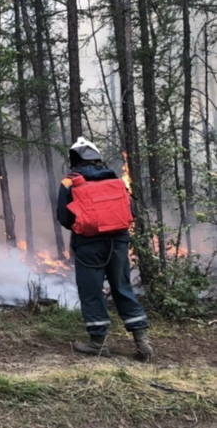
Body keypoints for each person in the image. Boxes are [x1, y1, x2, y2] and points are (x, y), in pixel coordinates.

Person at [56, 137, 153, 359]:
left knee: (91, 292)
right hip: (118, 242)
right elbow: (131, 212)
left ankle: (98, 343)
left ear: (74, 160)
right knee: (122, 287)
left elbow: (63, 217)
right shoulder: (116, 180)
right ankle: (142, 342)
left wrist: (84, 227)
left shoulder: (70, 182)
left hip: (89, 244)